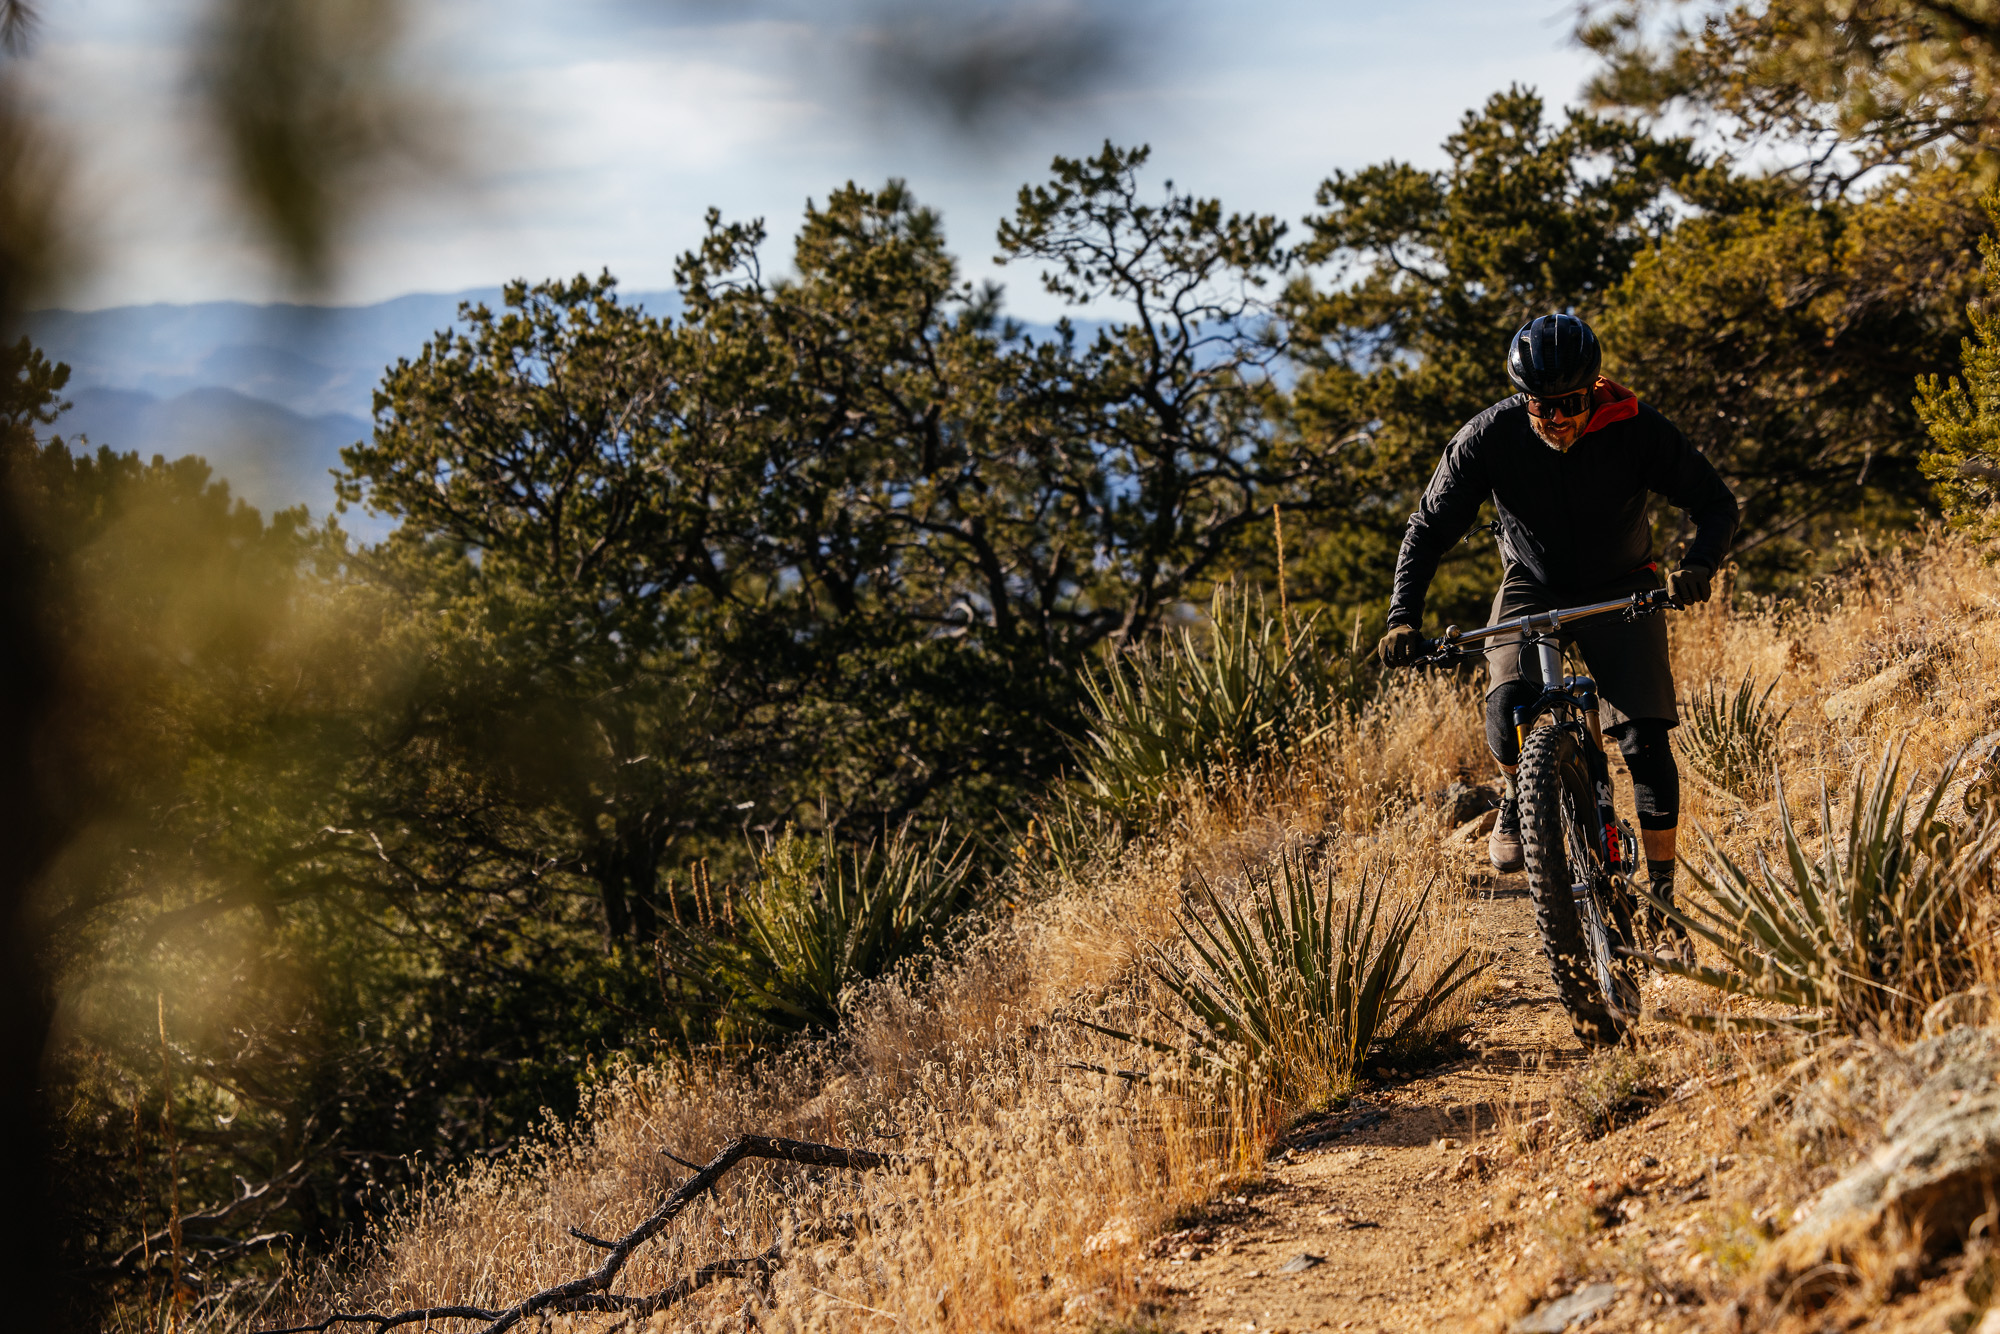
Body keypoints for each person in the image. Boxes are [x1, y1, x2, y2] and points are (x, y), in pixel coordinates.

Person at [1376, 312, 1737, 940]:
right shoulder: (1488, 437)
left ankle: (1662, 897)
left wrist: (1699, 565)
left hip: (1624, 583)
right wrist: (1403, 617)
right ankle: (1521, 791)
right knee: (1505, 706)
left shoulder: (1635, 426)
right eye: (1543, 406)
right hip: (1532, 582)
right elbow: (1428, 529)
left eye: (1571, 402)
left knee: (1644, 737)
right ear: (1524, 399)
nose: (1558, 418)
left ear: (1593, 389)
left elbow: (1715, 503)